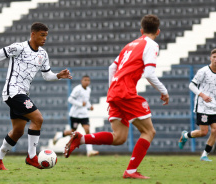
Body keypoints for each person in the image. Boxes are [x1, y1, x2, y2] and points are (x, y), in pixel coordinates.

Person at [64, 14, 169, 179]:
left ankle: (81, 139)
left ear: (141, 30)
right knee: (149, 131)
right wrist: (164, 91)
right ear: (158, 31)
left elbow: (111, 68)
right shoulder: (151, 44)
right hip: (126, 92)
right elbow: (149, 73)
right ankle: (131, 171)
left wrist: (113, 89)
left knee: (119, 138)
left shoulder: (129, 45)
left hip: (115, 91)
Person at [0, 22, 72, 170]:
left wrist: (58, 75)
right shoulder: (19, 47)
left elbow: (47, 76)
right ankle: (32, 157)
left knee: (18, 131)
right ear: (33, 34)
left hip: (23, 93)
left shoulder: (43, 54)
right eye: (42, 35)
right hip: (12, 91)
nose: (44, 38)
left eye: (46, 36)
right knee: (38, 119)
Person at [179, 48, 216, 162]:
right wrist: (202, 95)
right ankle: (185, 136)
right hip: (203, 106)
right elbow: (191, 85)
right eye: (214, 57)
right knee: (203, 132)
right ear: (210, 58)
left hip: (214, 106)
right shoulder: (203, 71)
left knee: (215, 130)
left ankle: (204, 155)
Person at [53, 75, 99, 157]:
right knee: (72, 131)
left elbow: (86, 101)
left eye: (88, 80)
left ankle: (89, 151)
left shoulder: (88, 90)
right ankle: (59, 135)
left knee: (87, 130)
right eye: (85, 80)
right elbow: (70, 99)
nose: (87, 82)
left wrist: (89, 106)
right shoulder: (78, 89)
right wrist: (80, 104)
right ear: (82, 81)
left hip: (84, 114)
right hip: (75, 114)